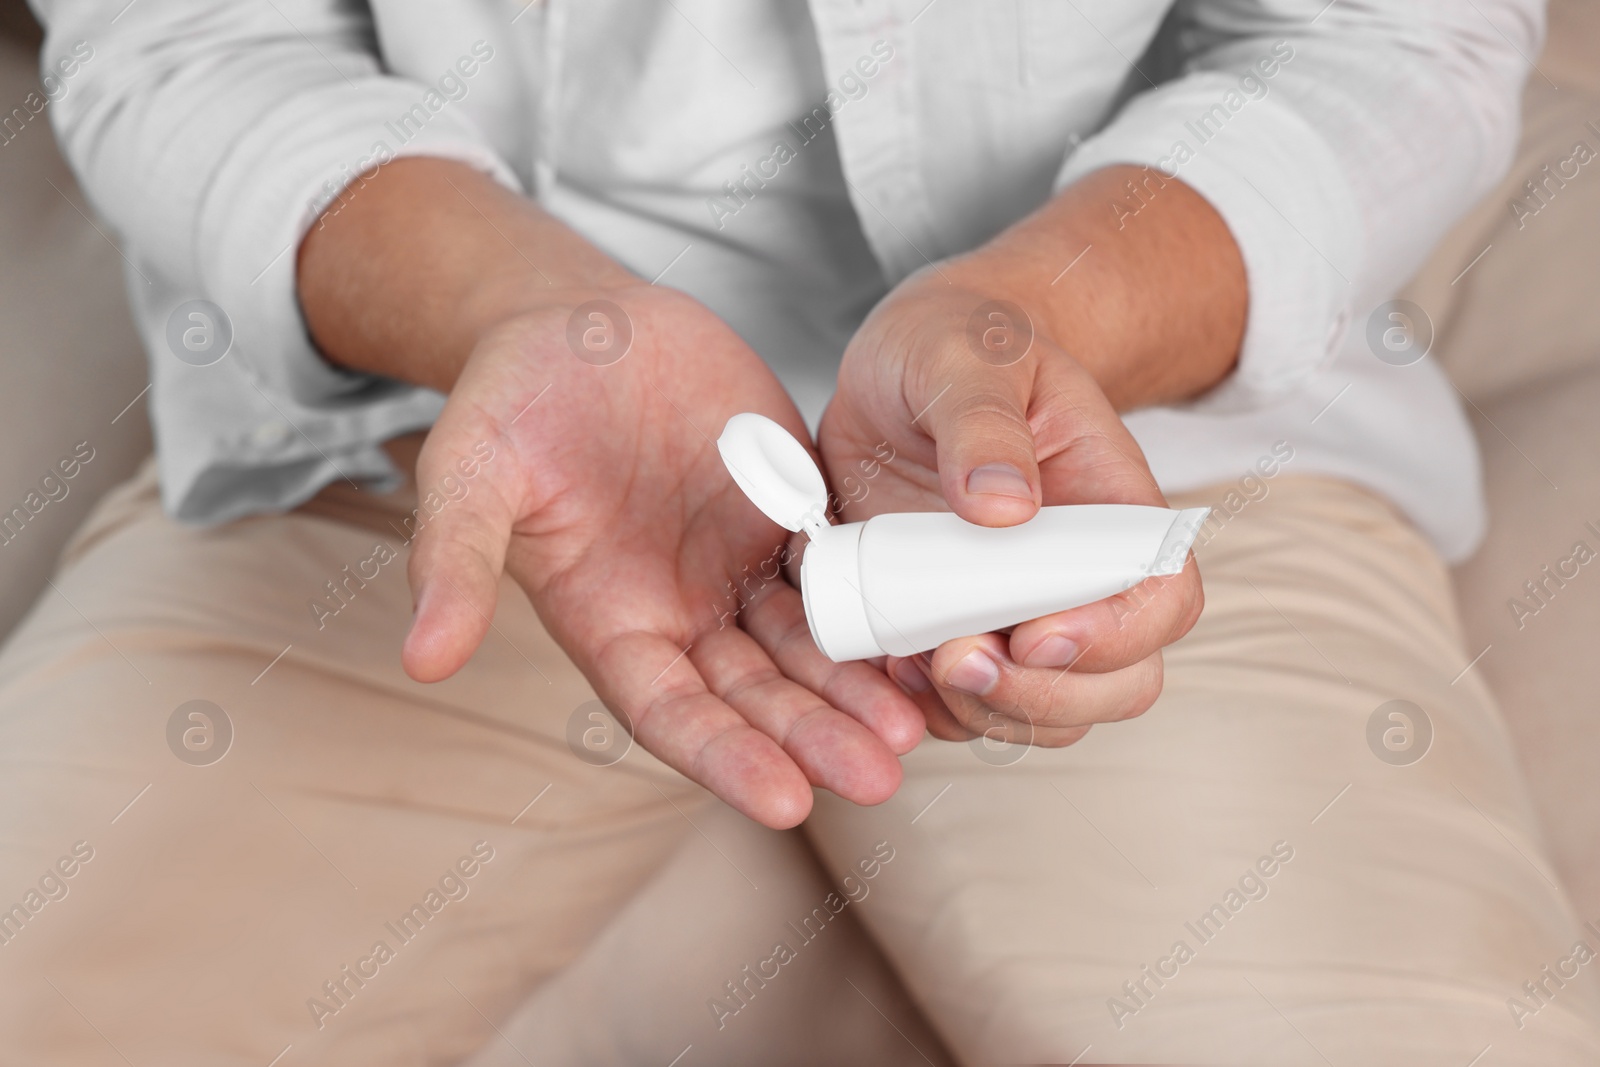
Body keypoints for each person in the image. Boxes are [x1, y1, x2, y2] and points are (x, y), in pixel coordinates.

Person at [3, 0, 1597, 1063]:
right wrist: (523, 311)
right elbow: (182, 41)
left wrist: (1035, 317)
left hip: (1110, 415)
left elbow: (1392, 36)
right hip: (463, 416)